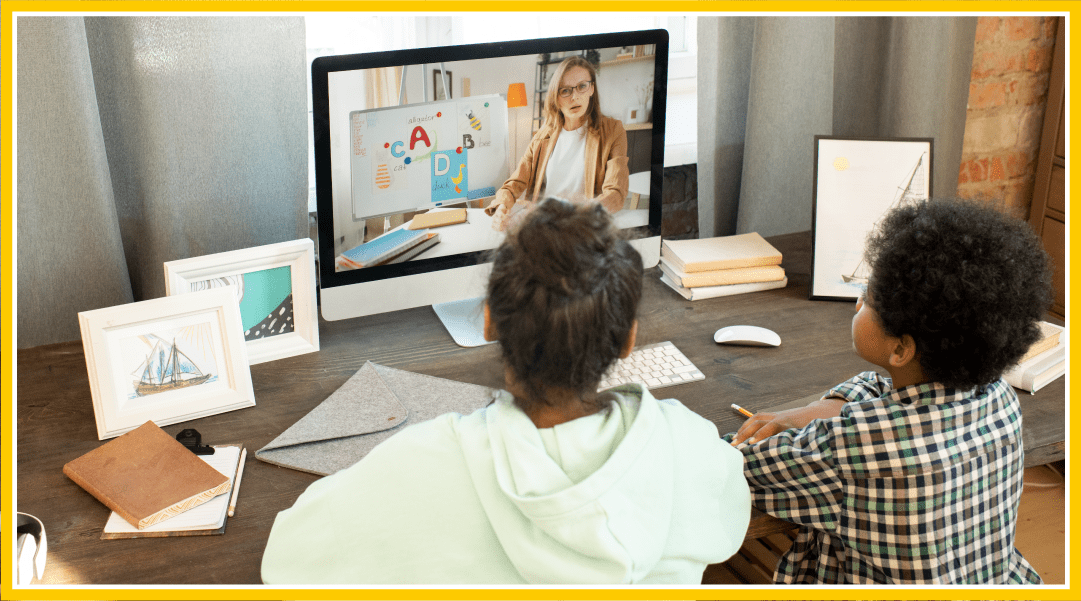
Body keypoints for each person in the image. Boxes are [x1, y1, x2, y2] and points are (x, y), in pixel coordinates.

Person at [261, 198, 750, 584]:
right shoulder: (691, 446)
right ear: (628, 339)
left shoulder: (420, 462)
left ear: (491, 321)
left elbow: (287, 560)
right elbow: (731, 518)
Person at [726, 199, 1051, 584]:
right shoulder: (998, 397)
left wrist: (805, 427)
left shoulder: (850, 449)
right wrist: (827, 405)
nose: (857, 301)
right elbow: (883, 391)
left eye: (868, 298)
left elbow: (731, 467)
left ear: (900, 349)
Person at [485, 56, 630, 231]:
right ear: (556, 97)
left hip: (584, 225)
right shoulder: (542, 136)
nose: (574, 97)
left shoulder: (613, 130)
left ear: (592, 88)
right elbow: (513, 184)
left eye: (582, 86)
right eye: (565, 91)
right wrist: (502, 206)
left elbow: (615, 195)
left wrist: (572, 213)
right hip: (543, 226)